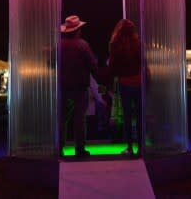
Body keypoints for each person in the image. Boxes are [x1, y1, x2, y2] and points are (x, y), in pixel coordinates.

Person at [60, 15, 98, 158]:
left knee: (62, 118)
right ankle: (80, 148)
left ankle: (60, 147)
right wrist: (100, 77)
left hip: (63, 86)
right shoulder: (83, 45)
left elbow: (50, 63)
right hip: (80, 87)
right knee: (80, 118)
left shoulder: (59, 45)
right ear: (77, 30)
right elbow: (92, 64)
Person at [107, 18, 142, 157]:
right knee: (139, 115)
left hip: (124, 82)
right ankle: (140, 147)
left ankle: (129, 147)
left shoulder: (115, 45)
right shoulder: (138, 44)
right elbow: (143, 62)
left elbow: (113, 66)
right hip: (138, 81)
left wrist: (109, 82)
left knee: (127, 115)